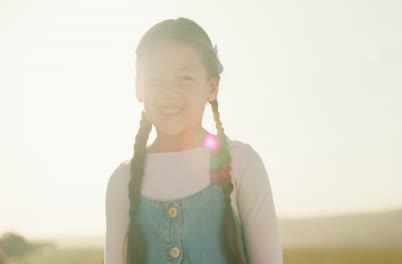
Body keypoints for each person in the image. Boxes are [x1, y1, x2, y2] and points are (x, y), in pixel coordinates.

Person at [105, 17, 283, 264]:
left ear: (212, 87)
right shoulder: (122, 180)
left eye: (185, 78)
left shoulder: (243, 163)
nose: (169, 91)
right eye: (155, 78)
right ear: (138, 87)